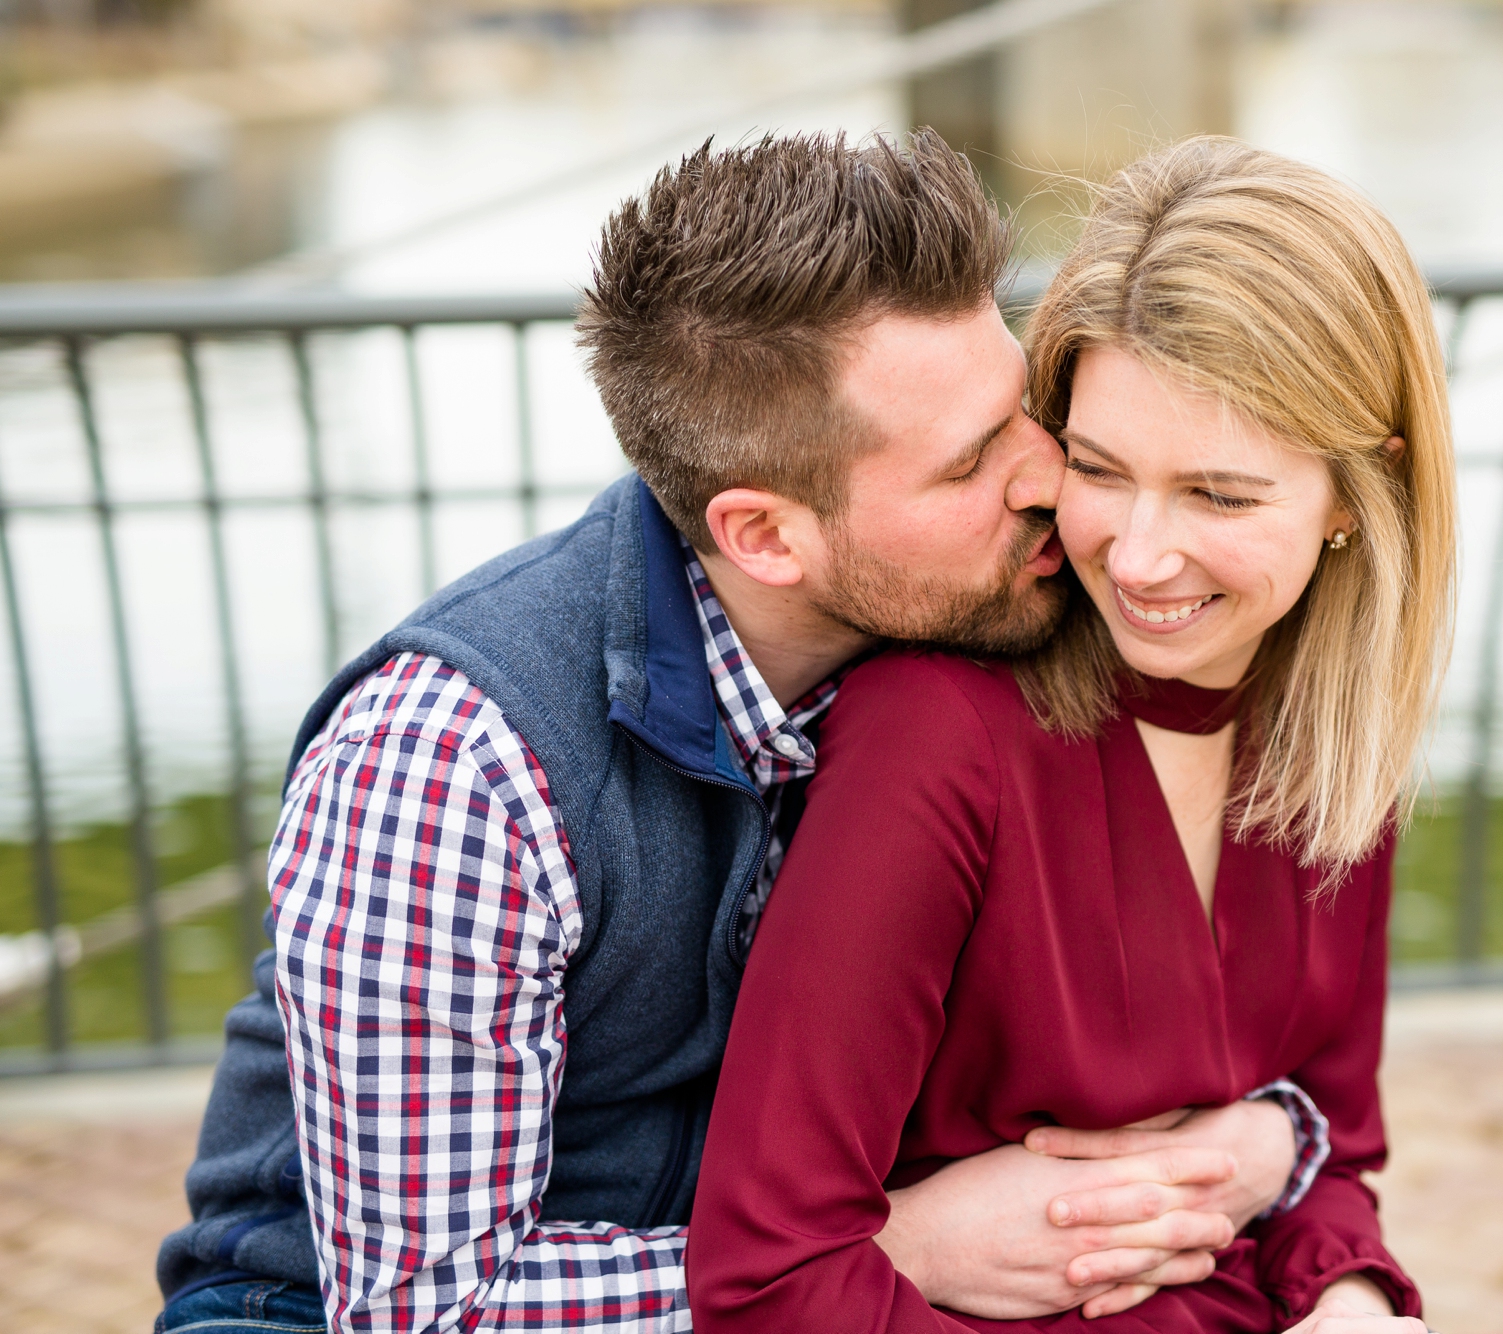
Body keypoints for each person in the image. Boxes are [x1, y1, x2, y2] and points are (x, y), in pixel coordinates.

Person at [154, 131, 1337, 1334]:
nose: (1050, 475)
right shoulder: (452, 767)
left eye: (1021, 404)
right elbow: (425, 1307)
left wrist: (1268, 1136)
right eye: (972, 460)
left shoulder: (967, 613)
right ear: (766, 535)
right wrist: (897, 1244)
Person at [687, 137, 1456, 1334]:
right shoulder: (935, 738)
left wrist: (1350, 1295)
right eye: (1097, 468)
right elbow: (769, 1278)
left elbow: (1328, 1147)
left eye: (1219, 494)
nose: (1138, 557)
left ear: (1356, 497)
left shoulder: (1330, 735)